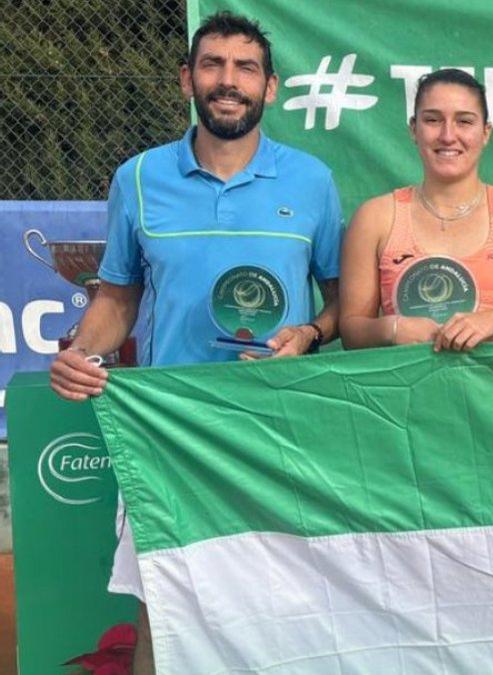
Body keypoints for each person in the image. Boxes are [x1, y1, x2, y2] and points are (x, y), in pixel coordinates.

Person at [47, 12, 343, 672]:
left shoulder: (312, 180)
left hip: (277, 424)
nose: (228, 80)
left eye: (245, 68)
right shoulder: (138, 178)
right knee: (167, 606)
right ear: (188, 79)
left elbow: (344, 300)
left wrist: (311, 332)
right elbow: (117, 299)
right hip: (171, 427)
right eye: (213, 65)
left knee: (282, 606)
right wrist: (80, 354)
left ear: (270, 87)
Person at [339, 69, 493, 350]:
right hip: (408, 379)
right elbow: (352, 331)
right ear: (413, 129)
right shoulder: (375, 217)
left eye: (464, 121)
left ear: (486, 132)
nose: (447, 135)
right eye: (432, 120)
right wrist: (391, 327)